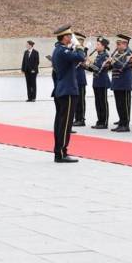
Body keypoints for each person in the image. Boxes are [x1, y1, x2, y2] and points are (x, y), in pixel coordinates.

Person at [51, 25, 86, 163]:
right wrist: (78, 46)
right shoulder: (63, 50)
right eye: (70, 36)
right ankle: (61, 153)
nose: (71, 38)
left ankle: (59, 151)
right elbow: (80, 57)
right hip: (68, 91)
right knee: (65, 123)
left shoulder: (59, 50)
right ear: (65, 37)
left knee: (60, 122)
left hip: (62, 90)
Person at [86, 36, 111, 129]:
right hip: (96, 81)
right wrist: (84, 65)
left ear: (103, 46)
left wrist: (89, 62)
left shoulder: (105, 56)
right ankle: (99, 121)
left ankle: (104, 122)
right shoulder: (98, 55)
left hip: (102, 81)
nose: (96, 46)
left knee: (103, 102)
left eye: (98, 44)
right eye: (97, 44)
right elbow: (93, 69)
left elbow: (98, 68)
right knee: (98, 102)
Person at [110, 34, 132, 132]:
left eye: (119, 44)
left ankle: (125, 124)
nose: (117, 46)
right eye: (117, 44)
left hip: (124, 83)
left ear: (125, 44)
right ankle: (121, 122)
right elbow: (113, 66)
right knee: (119, 104)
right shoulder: (117, 54)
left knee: (125, 105)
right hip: (116, 82)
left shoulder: (129, 54)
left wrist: (113, 61)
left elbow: (122, 66)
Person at [73, 32, 88, 127]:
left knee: (80, 100)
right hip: (73, 78)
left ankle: (81, 119)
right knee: (75, 100)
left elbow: (82, 61)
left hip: (80, 78)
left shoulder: (83, 51)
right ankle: (76, 118)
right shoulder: (74, 50)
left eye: (79, 41)